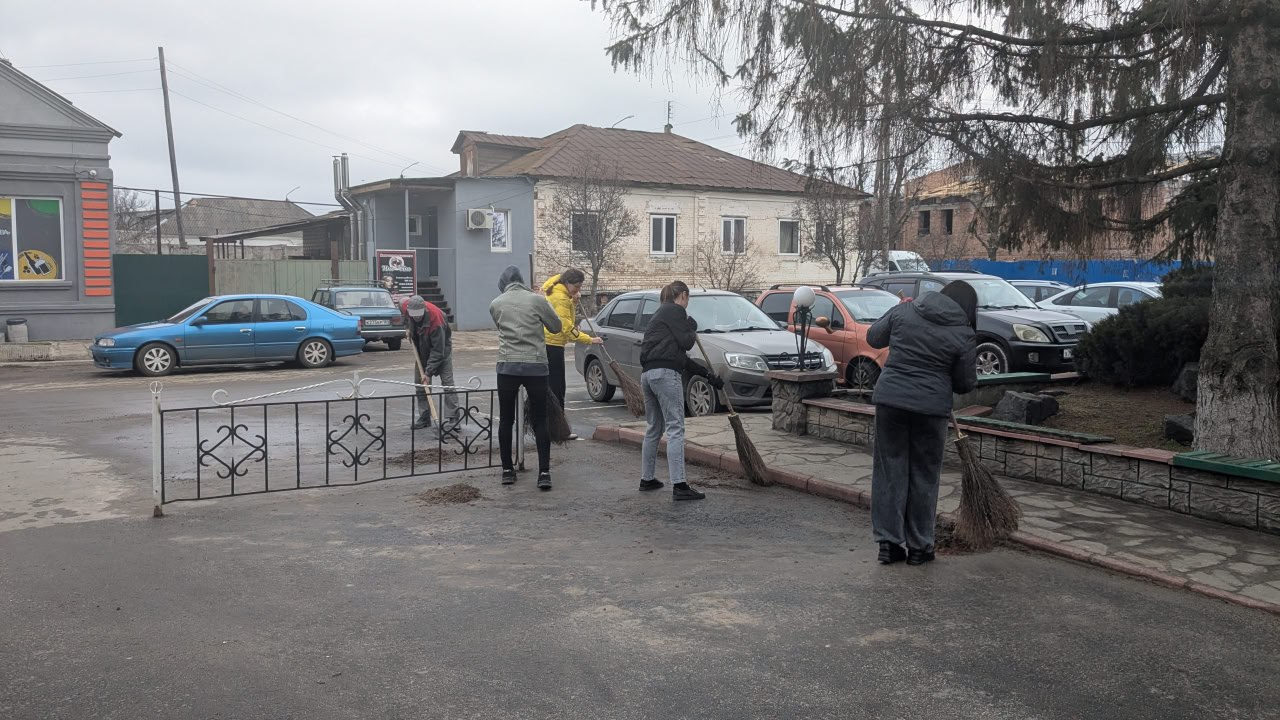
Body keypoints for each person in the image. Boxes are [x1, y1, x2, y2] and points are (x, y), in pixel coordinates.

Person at [866, 280, 978, 566]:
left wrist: (895, 309)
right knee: (924, 476)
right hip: (930, 410)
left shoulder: (905, 312)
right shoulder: (963, 332)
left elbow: (873, 337)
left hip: (891, 402)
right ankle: (920, 547)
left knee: (889, 471)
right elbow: (966, 384)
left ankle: (889, 545)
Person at [638, 280, 724, 501]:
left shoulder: (659, 314)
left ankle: (647, 479)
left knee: (654, 428)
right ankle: (680, 485)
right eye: (688, 299)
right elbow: (686, 343)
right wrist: (692, 328)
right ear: (683, 295)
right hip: (666, 375)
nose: (687, 303)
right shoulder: (675, 311)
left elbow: (682, 358)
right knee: (676, 427)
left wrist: (708, 376)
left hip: (648, 375)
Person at [489, 265, 562, 490]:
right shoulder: (536, 300)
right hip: (536, 366)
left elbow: (500, 326)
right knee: (541, 419)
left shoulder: (496, 303)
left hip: (507, 367)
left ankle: (507, 471)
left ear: (503, 283)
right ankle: (544, 473)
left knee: (506, 419)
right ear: (522, 281)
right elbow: (556, 327)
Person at [541, 268, 604, 439]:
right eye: (576, 287)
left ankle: (551, 428)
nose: (578, 291)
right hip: (553, 345)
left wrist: (574, 301)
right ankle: (557, 431)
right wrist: (589, 340)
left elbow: (566, 319)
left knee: (553, 388)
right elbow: (566, 327)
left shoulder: (557, 290)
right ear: (567, 283)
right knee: (557, 389)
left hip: (549, 344)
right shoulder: (560, 298)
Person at [402, 295, 458, 433]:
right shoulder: (408, 307)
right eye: (412, 316)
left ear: (424, 311)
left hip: (441, 351)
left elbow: (438, 351)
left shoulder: (435, 320)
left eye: (418, 316)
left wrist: (428, 373)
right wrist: (407, 327)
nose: (416, 318)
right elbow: (402, 308)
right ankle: (425, 417)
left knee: (448, 384)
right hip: (421, 350)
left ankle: (453, 419)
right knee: (420, 384)